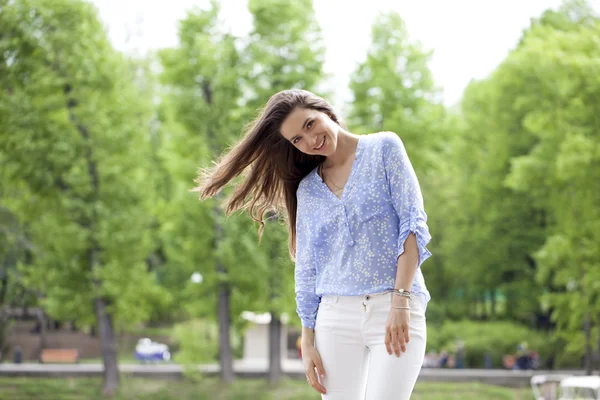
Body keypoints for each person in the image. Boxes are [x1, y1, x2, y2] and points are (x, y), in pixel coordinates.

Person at [192, 89, 432, 399]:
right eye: (297, 140)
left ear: (324, 111)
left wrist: (401, 301)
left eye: (309, 125)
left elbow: (412, 226)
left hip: (395, 307)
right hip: (334, 317)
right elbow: (307, 268)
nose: (310, 141)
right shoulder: (307, 190)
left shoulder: (384, 148)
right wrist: (308, 341)